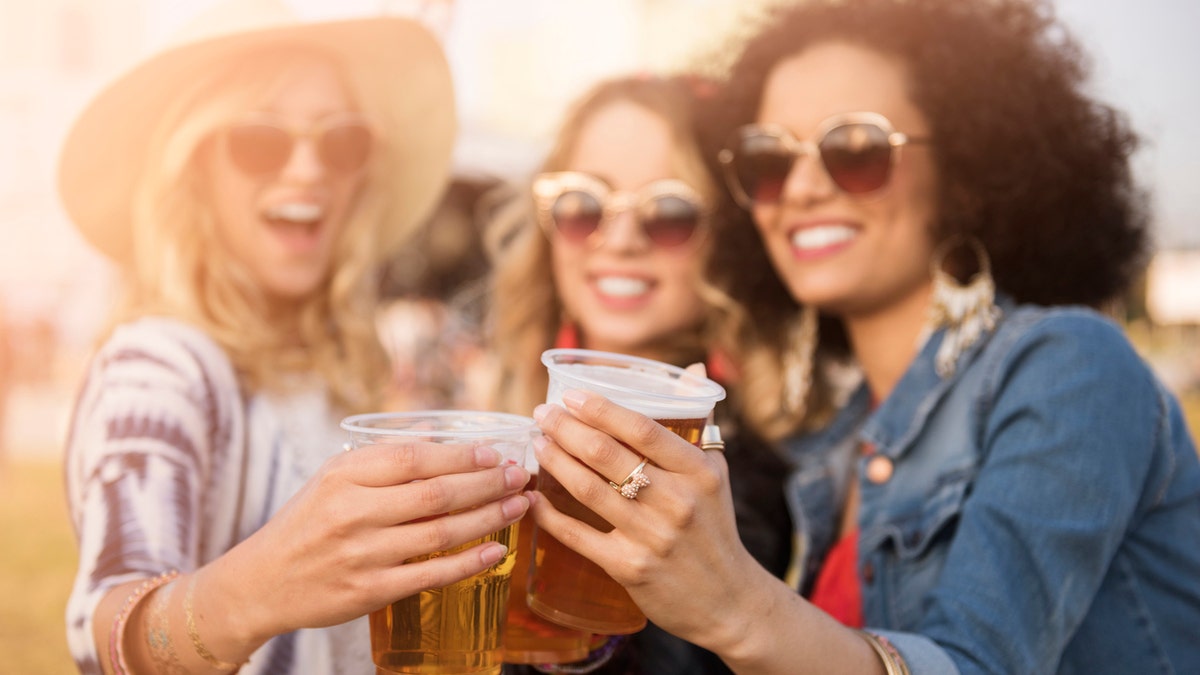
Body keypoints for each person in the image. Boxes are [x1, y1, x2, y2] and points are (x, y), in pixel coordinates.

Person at [525, 0, 1200, 673]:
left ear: (966, 173)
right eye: (770, 159)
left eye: (856, 149)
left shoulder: (1069, 365)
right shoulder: (823, 448)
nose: (804, 187)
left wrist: (736, 606)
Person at [58, 2, 531, 673]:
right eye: (260, 141)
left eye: (342, 142)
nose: (309, 170)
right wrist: (248, 594)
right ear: (194, 169)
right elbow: (108, 635)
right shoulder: (160, 362)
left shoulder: (322, 369)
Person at [482, 75, 792, 674]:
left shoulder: (737, 476)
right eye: (583, 204)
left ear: (725, 240)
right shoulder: (503, 421)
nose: (618, 241)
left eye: (669, 212)